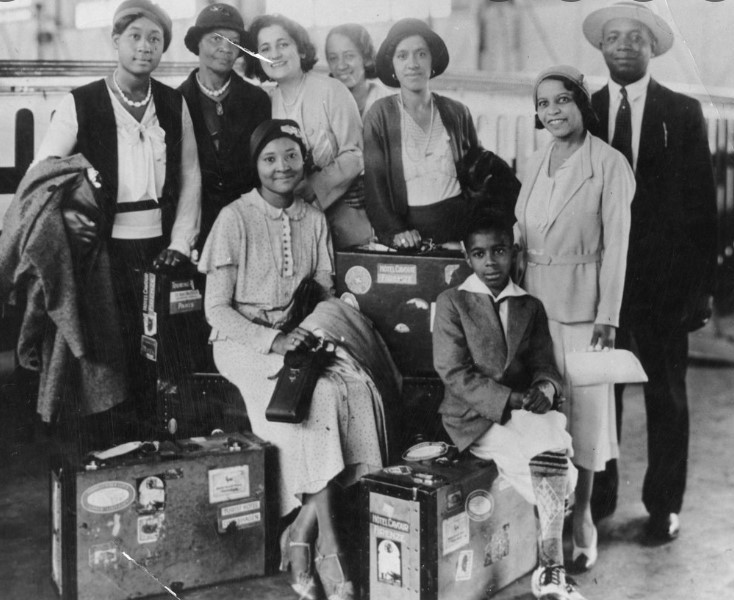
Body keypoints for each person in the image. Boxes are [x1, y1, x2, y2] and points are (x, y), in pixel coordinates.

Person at [200, 120, 398, 600]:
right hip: (244, 344)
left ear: (303, 162)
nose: (281, 167)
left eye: (291, 156)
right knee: (315, 400)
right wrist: (272, 341)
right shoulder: (234, 218)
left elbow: (325, 292)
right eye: (270, 159)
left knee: (352, 388)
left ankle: (300, 532)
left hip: (304, 338)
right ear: (256, 166)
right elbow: (216, 311)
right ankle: (325, 544)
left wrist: (306, 334)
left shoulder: (313, 218)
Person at [32, 0, 201, 437]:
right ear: (116, 41)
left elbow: (190, 176)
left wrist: (180, 243)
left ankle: (151, 453)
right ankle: (106, 455)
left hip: (158, 250)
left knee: (156, 355)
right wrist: (76, 197)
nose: (145, 47)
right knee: (106, 358)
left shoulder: (172, 102)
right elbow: (44, 171)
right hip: (101, 252)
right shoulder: (81, 102)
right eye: (135, 37)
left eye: (155, 39)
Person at [583, 2, 717, 541]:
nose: (622, 45)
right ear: (601, 47)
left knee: (665, 394)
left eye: (634, 37)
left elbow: (703, 209)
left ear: (651, 47)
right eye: (613, 36)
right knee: (601, 394)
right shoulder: (584, 109)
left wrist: (702, 288)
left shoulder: (682, 113)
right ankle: (600, 497)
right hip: (599, 284)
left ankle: (663, 505)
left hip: (663, 285)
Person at [515, 65, 635, 572]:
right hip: (535, 305)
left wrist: (608, 316)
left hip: (586, 312)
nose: (553, 111)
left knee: (584, 421)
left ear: (581, 104)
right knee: (544, 418)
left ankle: (582, 516)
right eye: (543, 104)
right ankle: (547, 525)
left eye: (562, 100)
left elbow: (617, 248)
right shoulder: (536, 161)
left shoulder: (609, 164)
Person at [432, 213, 585, 600]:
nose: (490, 262)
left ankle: (550, 569)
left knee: (552, 438)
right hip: (473, 417)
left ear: (514, 253)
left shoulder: (528, 306)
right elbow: (454, 373)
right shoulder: (453, 302)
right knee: (547, 466)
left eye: (499, 251)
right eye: (480, 254)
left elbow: (543, 364)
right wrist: (512, 400)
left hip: (521, 411)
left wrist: (546, 389)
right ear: (467, 258)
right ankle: (552, 568)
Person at [249, 14, 370, 250]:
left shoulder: (332, 90)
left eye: (283, 44)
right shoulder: (265, 102)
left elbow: (355, 154)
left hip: (343, 218)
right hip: (290, 222)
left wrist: (314, 187)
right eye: (265, 48)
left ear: (301, 50)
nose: (274, 54)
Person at [363, 18, 479, 248]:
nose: (413, 63)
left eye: (421, 54)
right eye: (402, 56)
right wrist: (396, 230)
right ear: (393, 65)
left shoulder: (457, 112)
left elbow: (476, 178)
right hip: (407, 235)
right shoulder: (380, 114)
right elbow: (375, 184)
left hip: (460, 232)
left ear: (432, 60)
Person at [179, 3, 270, 249]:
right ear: (197, 42)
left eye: (234, 41)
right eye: (216, 39)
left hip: (249, 228)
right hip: (193, 230)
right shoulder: (174, 101)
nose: (225, 48)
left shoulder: (257, 100)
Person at [325, 23, 392, 121]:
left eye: (349, 56)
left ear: (366, 58)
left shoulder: (388, 103)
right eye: (333, 58)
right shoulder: (324, 103)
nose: (341, 66)